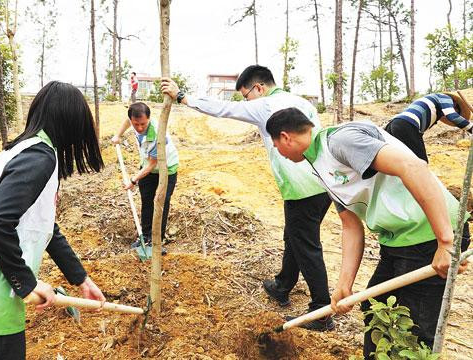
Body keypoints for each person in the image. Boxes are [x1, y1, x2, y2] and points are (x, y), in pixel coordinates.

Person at [265, 108, 470, 359]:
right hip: (398, 239)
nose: (278, 152)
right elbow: (350, 224)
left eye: (275, 145)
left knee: (414, 328)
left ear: (285, 137)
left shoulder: (340, 141)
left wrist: (446, 241)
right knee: (375, 306)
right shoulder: (318, 165)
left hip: (429, 234)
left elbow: (413, 166)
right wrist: (344, 285)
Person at [0, 81, 106, 360]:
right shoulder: (39, 157)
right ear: (71, 123)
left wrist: (80, 278)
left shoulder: (20, 150)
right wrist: (27, 283)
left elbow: (44, 224)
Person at [161, 65, 334, 331]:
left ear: (259, 88)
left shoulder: (267, 104)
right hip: (321, 183)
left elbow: (223, 109)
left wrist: (182, 95)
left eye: (246, 95)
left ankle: (321, 312)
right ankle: (282, 285)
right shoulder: (298, 101)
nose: (247, 102)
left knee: (306, 246)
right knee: (295, 237)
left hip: (303, 189)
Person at [111, 102, 178, 254]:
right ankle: (146, 237)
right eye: (136, 124)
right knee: (147, 201)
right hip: (148, 166)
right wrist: (118, 135)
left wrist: (133, 180)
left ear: (149, 118)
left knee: (160, 203)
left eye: (143, 124)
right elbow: (128, 121)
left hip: (166, 169)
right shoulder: (133, 121)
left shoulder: (156, 134)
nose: (140, 128)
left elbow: (152, 165)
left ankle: (157, 242)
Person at [384, 92, 472, 162]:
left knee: (400, 161)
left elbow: (417, 134)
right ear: (455, 105)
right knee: (421, 163)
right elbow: (452, 116)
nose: (456, 113)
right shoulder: (445, 98)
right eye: (457, 111)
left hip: (394, 124)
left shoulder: (432, 110)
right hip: (406, 124)